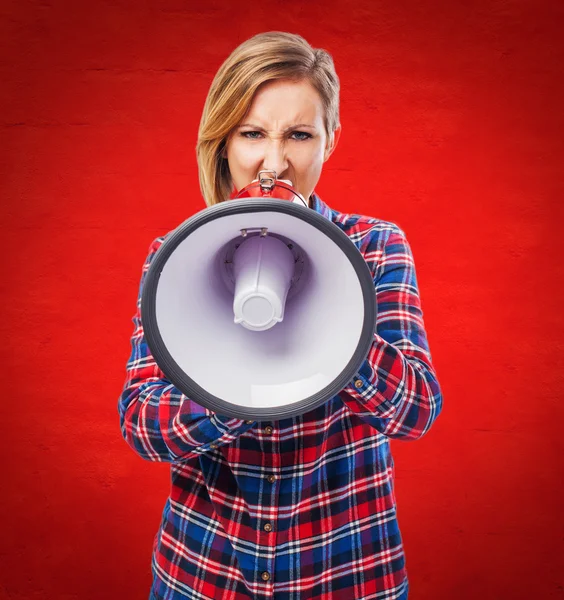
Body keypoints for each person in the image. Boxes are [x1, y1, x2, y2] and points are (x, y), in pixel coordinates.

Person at [118, 31, 443, 600]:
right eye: (251, 133)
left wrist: (339, 325)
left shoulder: (374, 247)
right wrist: (230, 386)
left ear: (331, 140)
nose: (274, 163)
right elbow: (142, 426)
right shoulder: (172, 258)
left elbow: (415, 413)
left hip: (349, 573)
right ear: (223, 141)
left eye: (299, 134)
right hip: (205, 575)